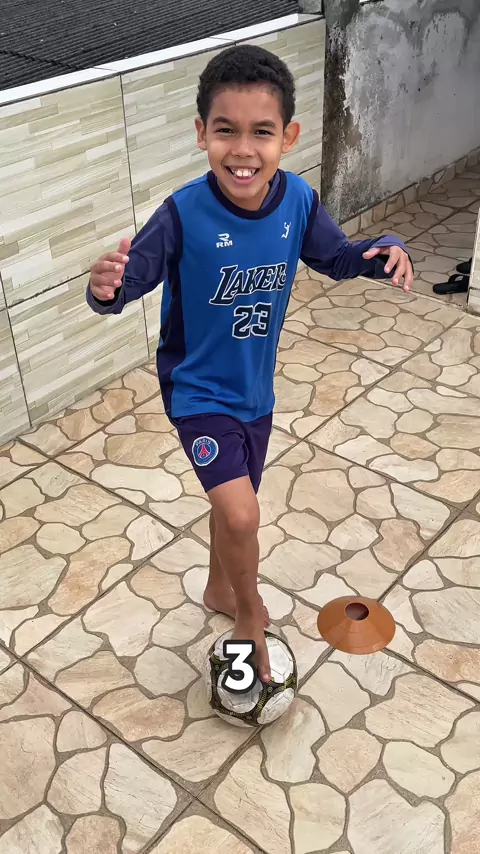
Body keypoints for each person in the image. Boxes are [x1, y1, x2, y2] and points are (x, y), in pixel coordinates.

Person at [87, 44, 414, 682]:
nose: (243, 150)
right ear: (201, 134)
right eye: (225, 131)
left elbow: (337, 257)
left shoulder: (298, 201)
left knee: (233, 507)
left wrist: (384, 248)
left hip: (255, 394)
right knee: (242, 514)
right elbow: (126, 283)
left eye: (261, 132)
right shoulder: (182, 214)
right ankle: (246, 616)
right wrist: (105, 288)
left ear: (288, 137)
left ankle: (219, 588)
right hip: (196, 391)